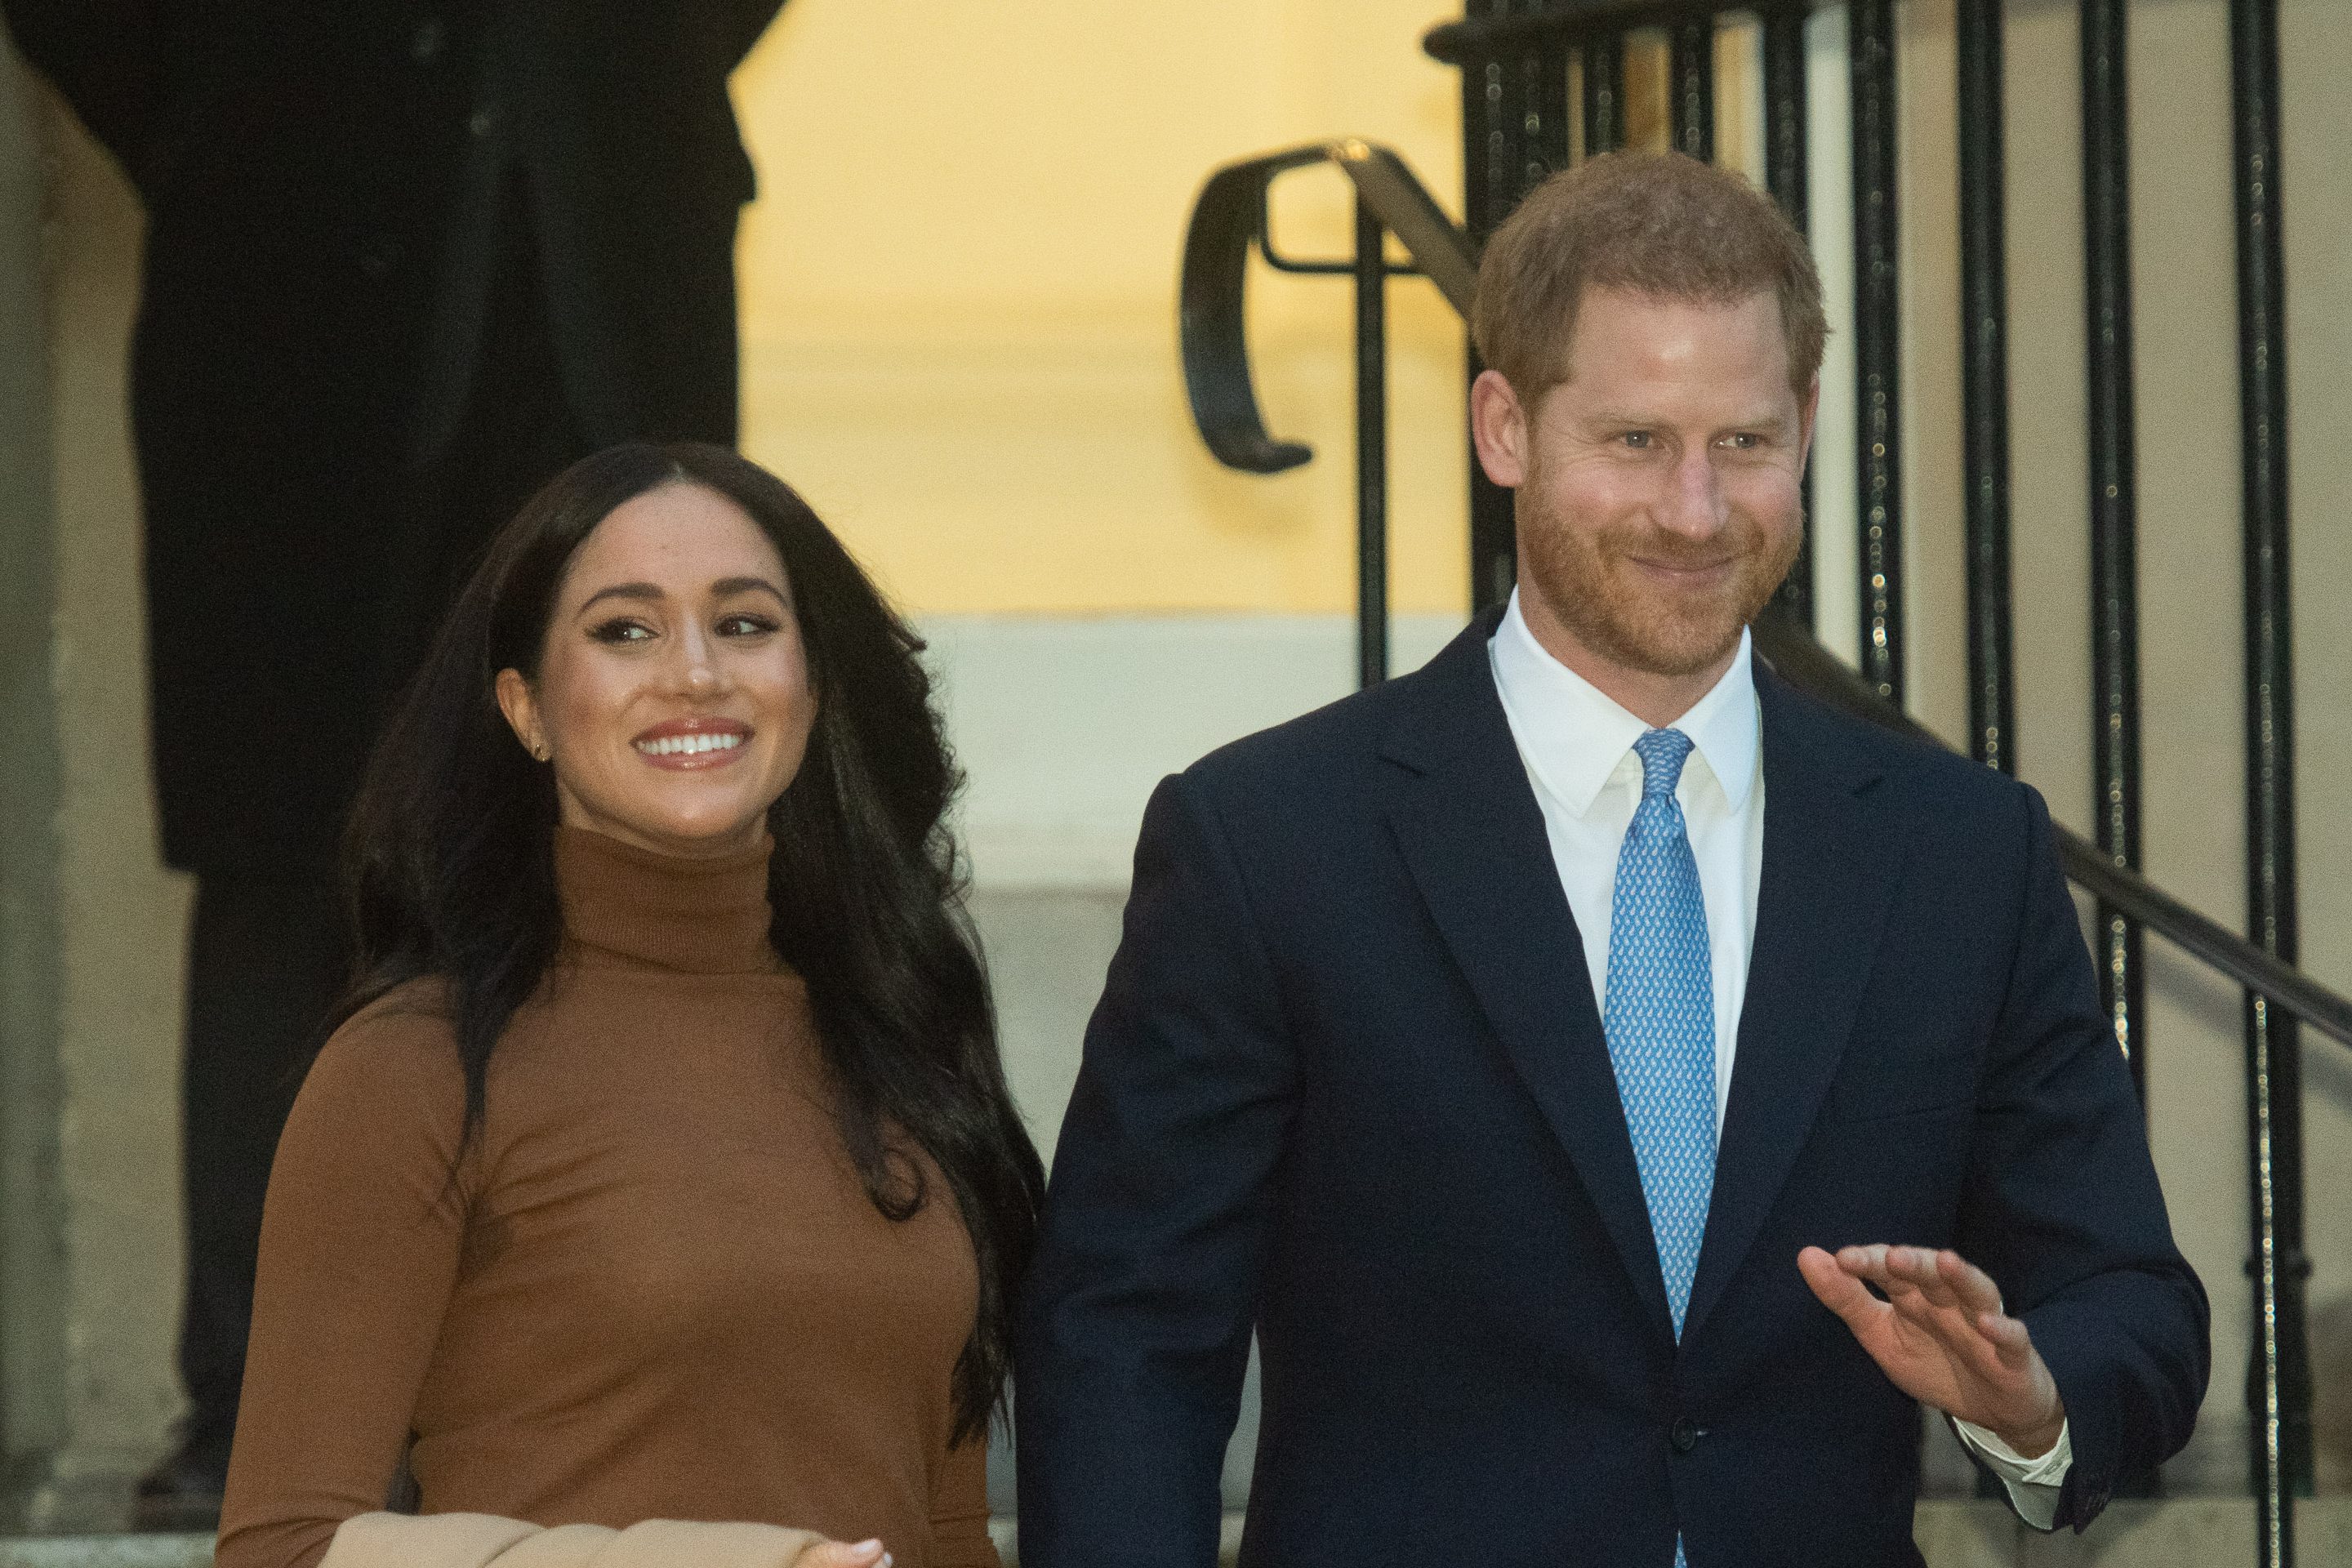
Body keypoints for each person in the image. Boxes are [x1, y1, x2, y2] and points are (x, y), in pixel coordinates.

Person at [1013, 152, 2208, 1566]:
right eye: (1636, 440)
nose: (1695, 511)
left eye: (1745, 442)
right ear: (1503, 427)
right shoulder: (1271, 843)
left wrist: (2031, 1401)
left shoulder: (1959, 856)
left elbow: (2132, 1301)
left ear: (1808, 427)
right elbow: (1125, 1339)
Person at [0, 2, 785, 1524]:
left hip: (607, 249)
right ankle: (255, 1415)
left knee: (635, 841)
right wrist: (224, 107)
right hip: (289, 270)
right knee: (287, 857)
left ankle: (598, 1395)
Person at [216, 443, 1040, 1568]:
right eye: (625, 631)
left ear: (813, 686)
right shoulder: (414, 1068)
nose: (696, 673)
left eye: (744, 624)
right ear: (526, 708)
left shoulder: (901, 1038)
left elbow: (946, 1532)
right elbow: (282, 1547)